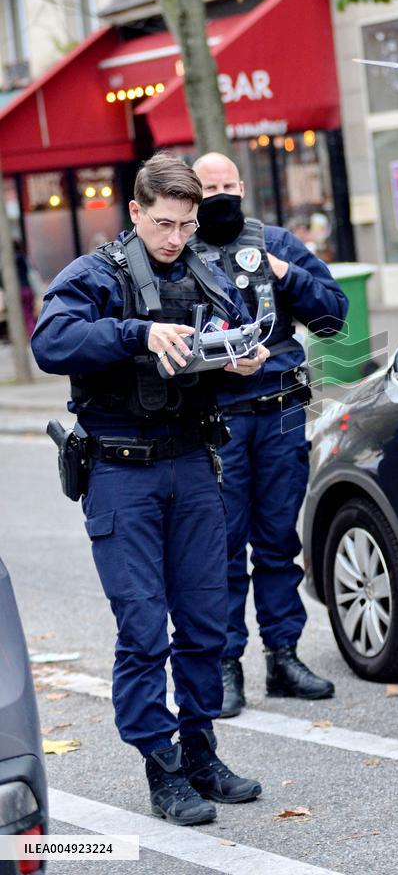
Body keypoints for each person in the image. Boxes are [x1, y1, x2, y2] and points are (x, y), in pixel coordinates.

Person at [31, 154, 268, 826]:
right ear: (135, 212)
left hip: (193, 464)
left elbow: (226, 344)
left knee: (205, 625)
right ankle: (162, 769)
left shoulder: (205, 270)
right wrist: (139, 332)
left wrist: (240, 358)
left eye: (186, 225)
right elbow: (50, 340)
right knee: (143, 629)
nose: (174, 238)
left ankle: (201, 755)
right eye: (163, 223)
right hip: (120, 472)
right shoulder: (95, 274)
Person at [190, 152, 348, 716]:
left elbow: (333, 315)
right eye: (208, 186)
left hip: (280, 412)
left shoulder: (275, 243)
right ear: (191, 192)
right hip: (218, 422)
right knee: (223, 547)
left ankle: (283, 656)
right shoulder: (178, 253)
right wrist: (216, 364)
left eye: (228, 184)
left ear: (243, 186)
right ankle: (225, 665)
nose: (220, 194)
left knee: (279, 542)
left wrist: (283, 274)